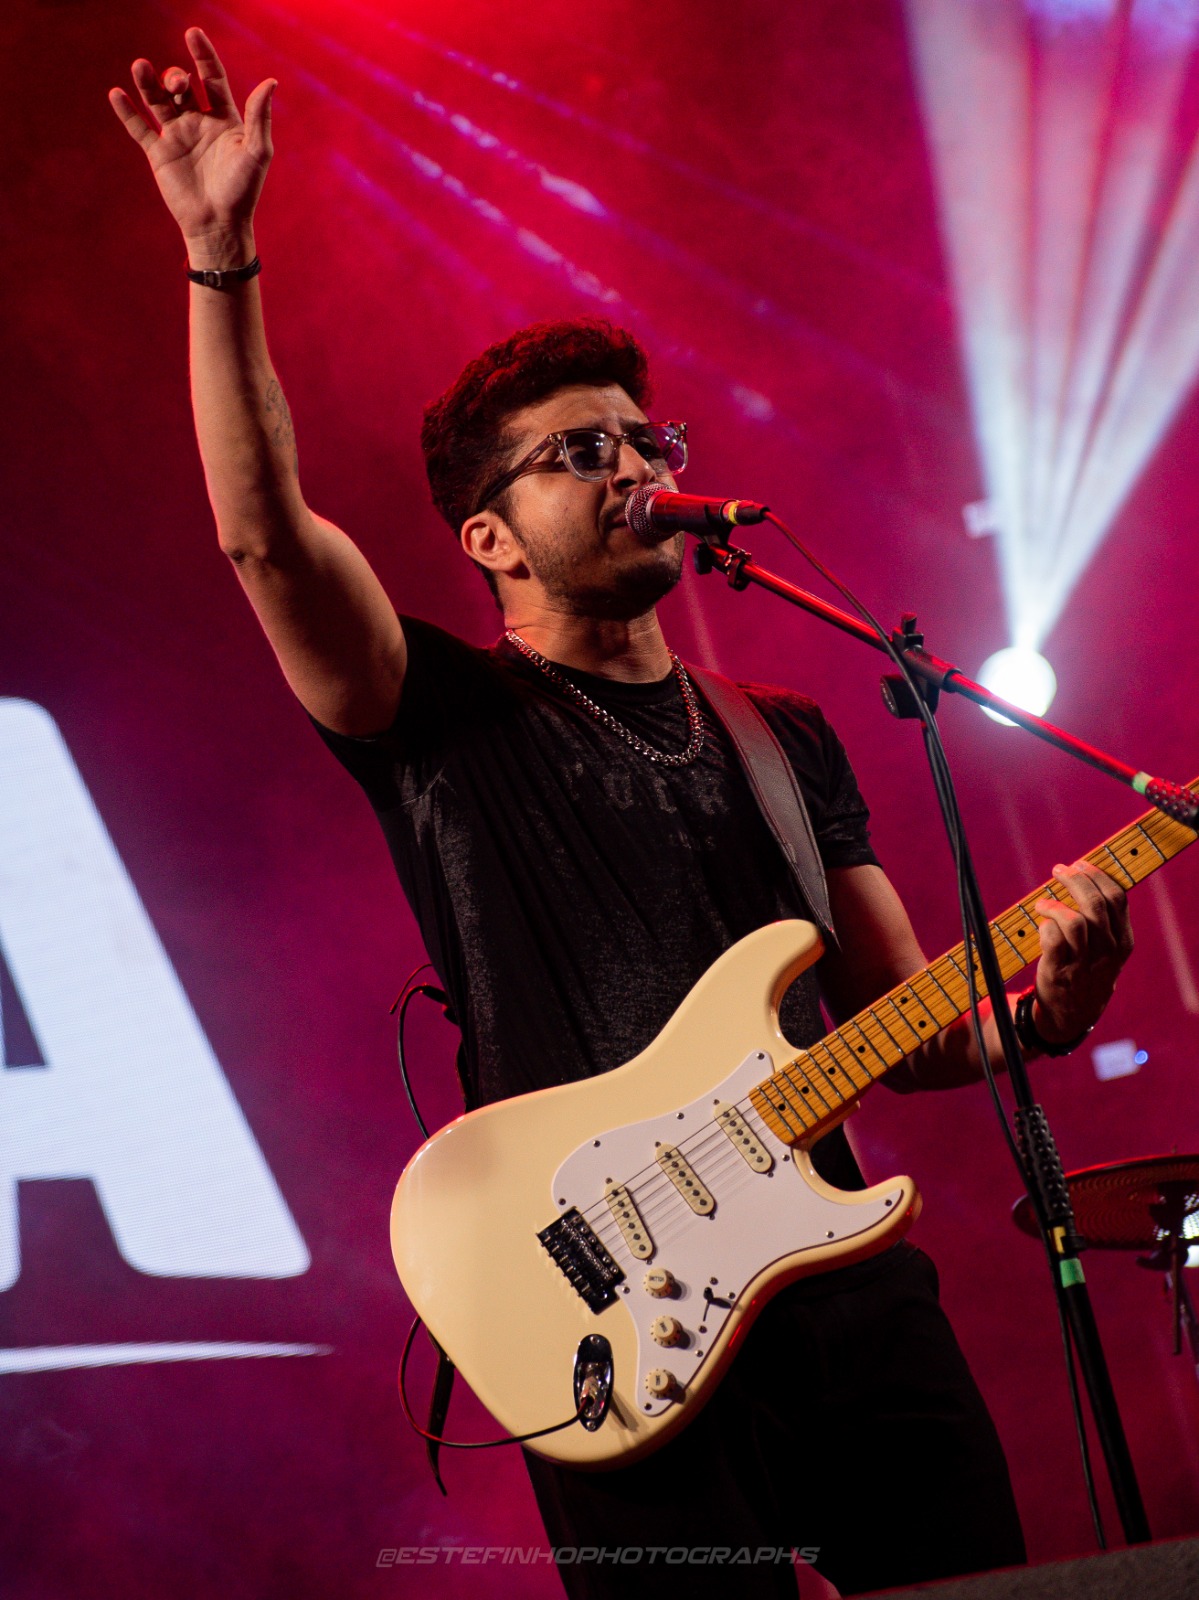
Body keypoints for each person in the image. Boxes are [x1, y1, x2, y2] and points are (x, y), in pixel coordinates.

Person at [109, 31, 1135, 1598]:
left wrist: (1045, 1009)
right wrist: (218, 258)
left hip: (841, 1280)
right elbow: (264, 541)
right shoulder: (438, 717)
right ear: (489, 539)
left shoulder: (783, 738)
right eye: (578, 453)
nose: (635, 466)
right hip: (609, 1311)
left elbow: (907, 1022)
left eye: (647, 440)